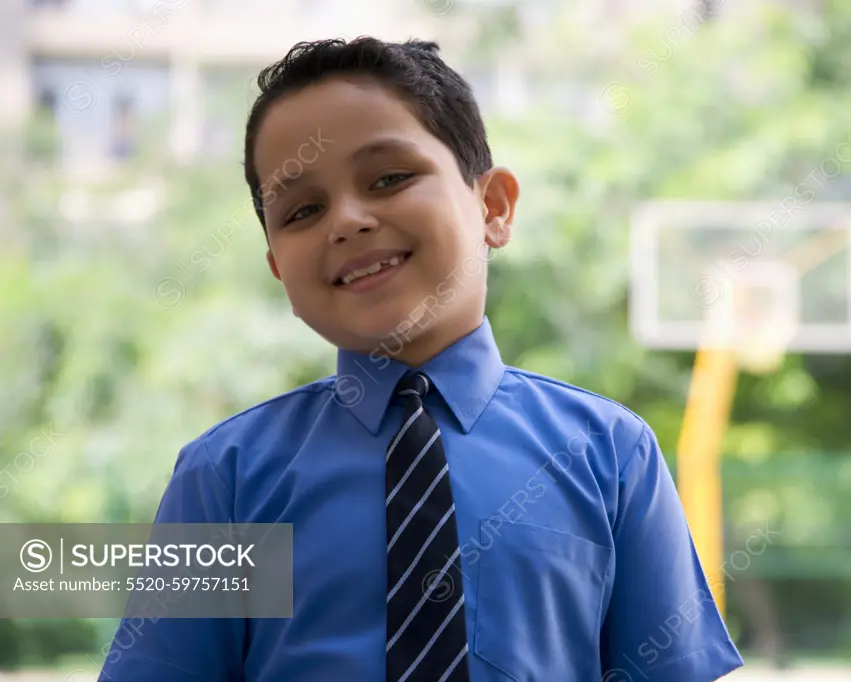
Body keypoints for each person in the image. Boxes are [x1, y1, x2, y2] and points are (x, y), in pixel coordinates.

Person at [99, 36, 743, 682]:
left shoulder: (611, 454)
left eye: (389, 178)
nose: (346, 221)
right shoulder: (226, 477)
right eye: (302, 211)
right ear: (277, 268)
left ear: (492, 206)